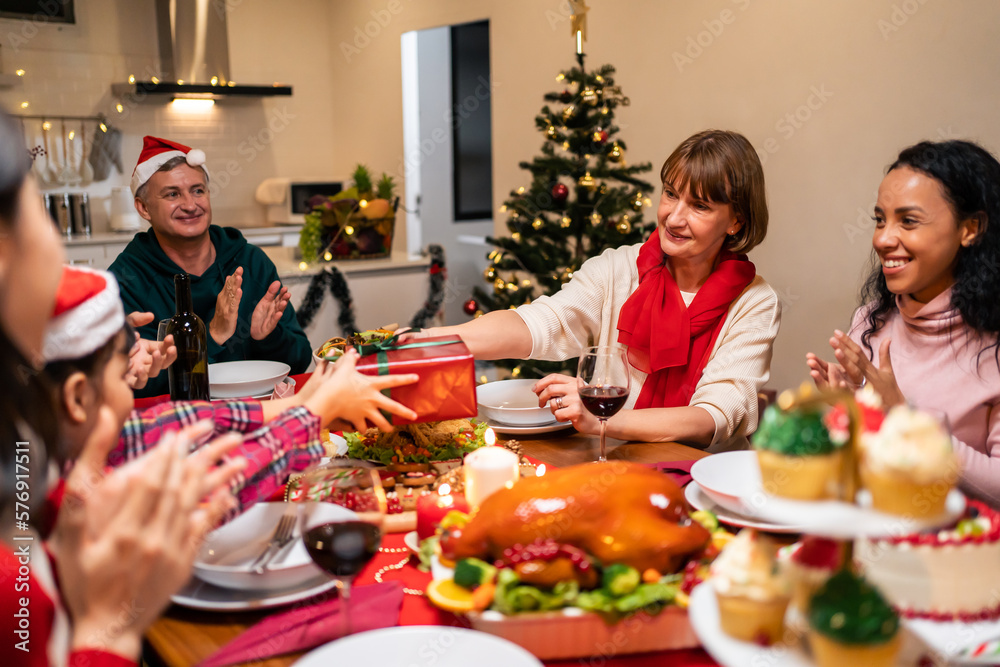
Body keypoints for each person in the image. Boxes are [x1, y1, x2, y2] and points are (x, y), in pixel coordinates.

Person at [0, 107, 246, 667]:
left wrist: (86, 477)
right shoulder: (12, 579)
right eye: (29, 211)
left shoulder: (23, 468)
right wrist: (110, 627)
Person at [417, 130, 781, 450]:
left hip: (703, 479)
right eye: (671, 194)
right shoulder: (619, 269)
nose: (673, 217)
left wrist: (601, 419)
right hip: (617, 463)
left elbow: (713, 418)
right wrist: (429, 341)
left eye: (699, 206)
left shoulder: (754, 302)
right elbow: (539, 322)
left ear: (736, 221)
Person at [42, 265, 419, 516]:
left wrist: (306, 401)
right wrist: (313, 413)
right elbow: (223, 486)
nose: (136, 367)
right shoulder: (74, 490)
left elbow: (189, 419)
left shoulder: (90, 437)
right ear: (78, 398)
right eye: (121, 366)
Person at [807, 139, 1000, 506]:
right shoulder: (870, 322)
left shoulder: (994, 347)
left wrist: (906, 420)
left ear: (970, 228)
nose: (882, 239)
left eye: (908, 221)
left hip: (958, 553)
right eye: (880, 220)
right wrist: (846, 414)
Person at [108, 136, 312, 398]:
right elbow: (135, 386)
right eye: (173, 194)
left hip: (261, 414)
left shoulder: (250, 262)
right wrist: (211, 336)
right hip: (177, 426)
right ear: (143, 207)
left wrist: (268, 339)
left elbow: (300, 361)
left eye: (198, 190)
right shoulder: (126, 281)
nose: (191, 205)